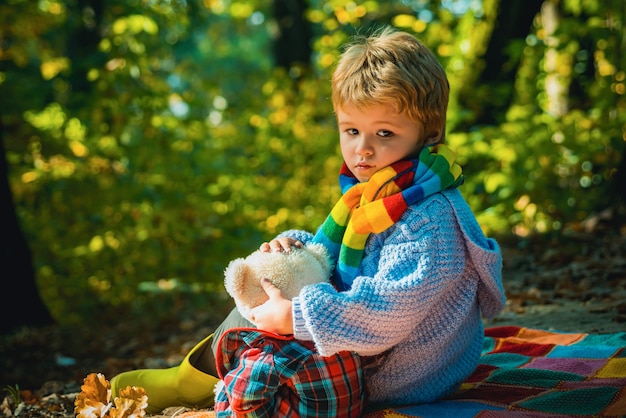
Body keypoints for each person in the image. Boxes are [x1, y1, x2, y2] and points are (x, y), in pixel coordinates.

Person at [110, 25, 505, 413]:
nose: (362, 150)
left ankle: (207, 381)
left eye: (384, 133)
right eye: (351, 130)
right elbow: (341, 257)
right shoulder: (377, 194)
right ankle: (195, 375)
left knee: (274, 341)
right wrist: (296, 249)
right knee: (272, 278)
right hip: (375, 350)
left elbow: (389, 310)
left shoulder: (429, 219)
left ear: (430, 133)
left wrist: (297, 317)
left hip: (401, 373)